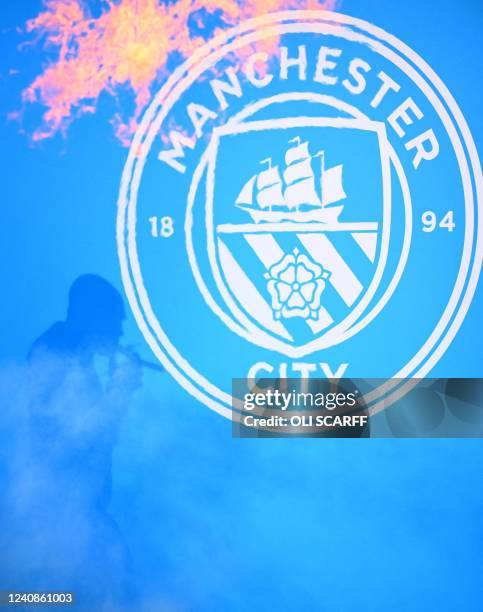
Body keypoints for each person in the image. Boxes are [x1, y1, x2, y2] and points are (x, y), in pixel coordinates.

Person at [23, 274, 142, 609]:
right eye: (114, 322)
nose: (119, 334)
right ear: (92, 316)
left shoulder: (71, 356)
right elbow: (85, 437)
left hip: (76, 511)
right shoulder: (56, 354)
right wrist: (121, 387)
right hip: (66, 515)